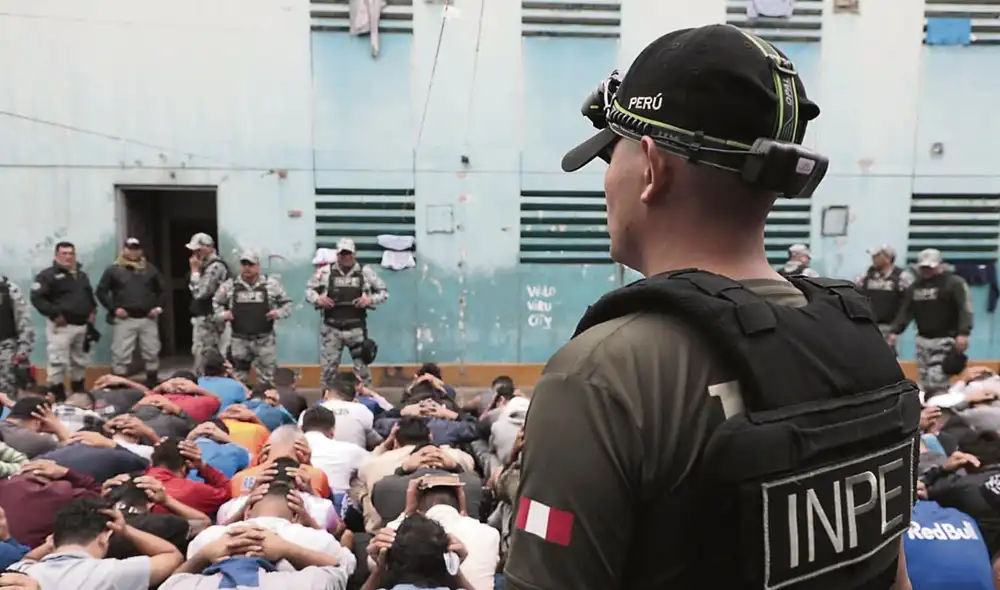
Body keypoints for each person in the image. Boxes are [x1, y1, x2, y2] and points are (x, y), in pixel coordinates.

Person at [505, 25, 919, 590]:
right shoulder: (861, 339)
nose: (606, 182)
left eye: (610, 156)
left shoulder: (604, 374)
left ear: (651, 167)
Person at [889, 248, 973, 396]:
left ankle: (940, 410)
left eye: (930, 267)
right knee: (925, 378)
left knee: (937, 380)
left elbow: (965, 309)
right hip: (922, 339)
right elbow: (906, 311)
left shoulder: (954, 283)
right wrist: (896, 330)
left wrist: (963, 333)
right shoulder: (915, 286)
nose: (926, 271)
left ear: (940, 265)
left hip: (945, 338)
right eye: (923, 268)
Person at [306, 237, 388, 388]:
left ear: (354, 254)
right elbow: (309, 291)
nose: (345, 257)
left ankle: (366, 403)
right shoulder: (325, 272)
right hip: (331, 329)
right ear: (337, 255)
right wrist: (319, 300)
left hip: (356, 328)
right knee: (328, 373)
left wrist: (369, 300)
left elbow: (383, 292)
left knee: (363, 373)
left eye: (348, 253)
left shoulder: (365, 272)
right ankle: (327, 403)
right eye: (342, 254)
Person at [30, 241, 97, 400]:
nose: (68, 257)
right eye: (64, 253)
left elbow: (89, 294)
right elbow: (37, 298)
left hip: (81, 326)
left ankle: (78, 392)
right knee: (58, 361)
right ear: (56, 255)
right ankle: (57, 395)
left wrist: (92, 310)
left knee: (79, 361)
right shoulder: (47, 276)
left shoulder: (81, 275)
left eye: (71, 253)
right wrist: (54, 314)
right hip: (61, 327)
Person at [213, 250, 292, 385]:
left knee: (268, 379)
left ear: (258, 266)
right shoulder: (230, 285)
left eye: (251, 264)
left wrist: (277, 313)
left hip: (264, 340)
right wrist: (223, 315)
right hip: (239, 340)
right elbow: (216, 303)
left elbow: (287, 304)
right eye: (244, 264)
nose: (247, 268)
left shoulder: (271, 284)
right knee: (239, 378)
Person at [95, 237, 166, 387]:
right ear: (124, 249)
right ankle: (120, 385)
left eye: (137, 248)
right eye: (130, 248)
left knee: (152, 351)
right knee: (121, 354)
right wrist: (114, 309)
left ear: (141, 250)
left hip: (147, 318)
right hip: (125, 319)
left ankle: (152, 382)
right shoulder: (113, 270)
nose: (133, 252)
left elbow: (162, 290)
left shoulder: (150, 269)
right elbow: (101, 292)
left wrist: (158, 308)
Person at [186, 232, 231, 374]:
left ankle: (205, 381)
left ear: (209, 248)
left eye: (198, 250)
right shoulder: (204, 265)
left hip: (209, 317)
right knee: (200, 350)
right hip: (203, 316)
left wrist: (194, 272)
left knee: (205, 352)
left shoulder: (215, 267)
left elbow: (201, 293)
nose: (195, 253)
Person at [855, 244, 913, 349]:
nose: (873, 259)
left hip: (889, 327)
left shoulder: (901, 277)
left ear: (888, 258)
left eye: (877, 256)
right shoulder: (866, 275)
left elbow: (908, 304)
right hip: (868, 325)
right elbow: (856, 295)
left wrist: (897, 329)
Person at [0, 276, 34, 396]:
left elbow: (24, 321)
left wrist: (23, 349)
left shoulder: (8, 289)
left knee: (7, 393)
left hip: (5, 349)